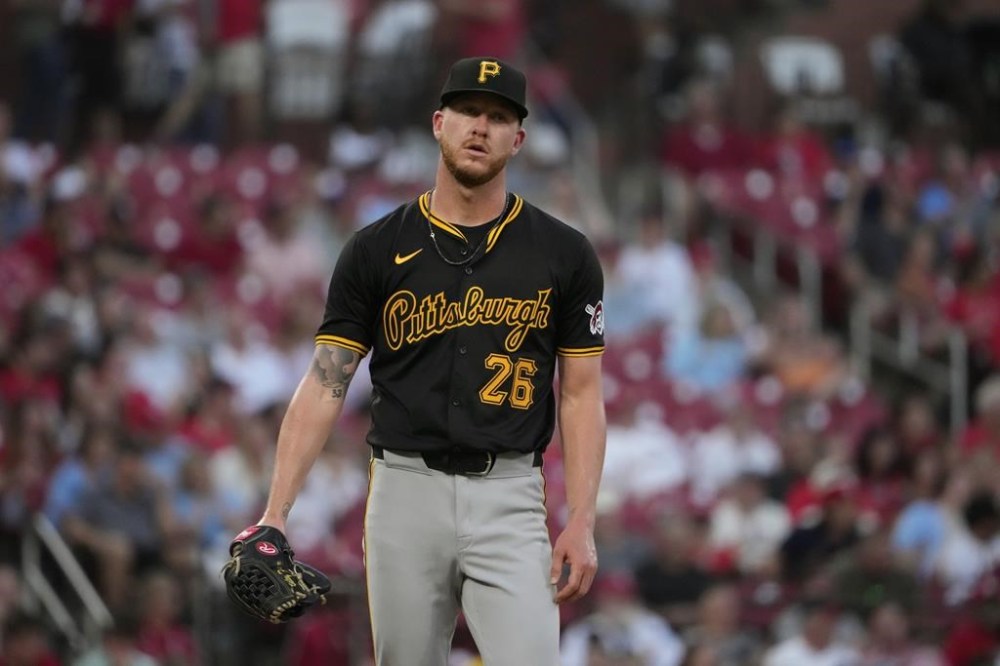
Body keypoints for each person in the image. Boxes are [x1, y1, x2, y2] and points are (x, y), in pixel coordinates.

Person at [240, 57, 608, 665]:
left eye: (498, 117)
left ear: (517, 140)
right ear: (439, 123)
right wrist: (275, 513)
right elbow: (327, 381)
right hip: (404, 491)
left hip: (509, 493)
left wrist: (583, 519)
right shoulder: (375, 248)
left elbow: (581, 393)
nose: (480, 127)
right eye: (468, 111)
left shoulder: (564, 253)